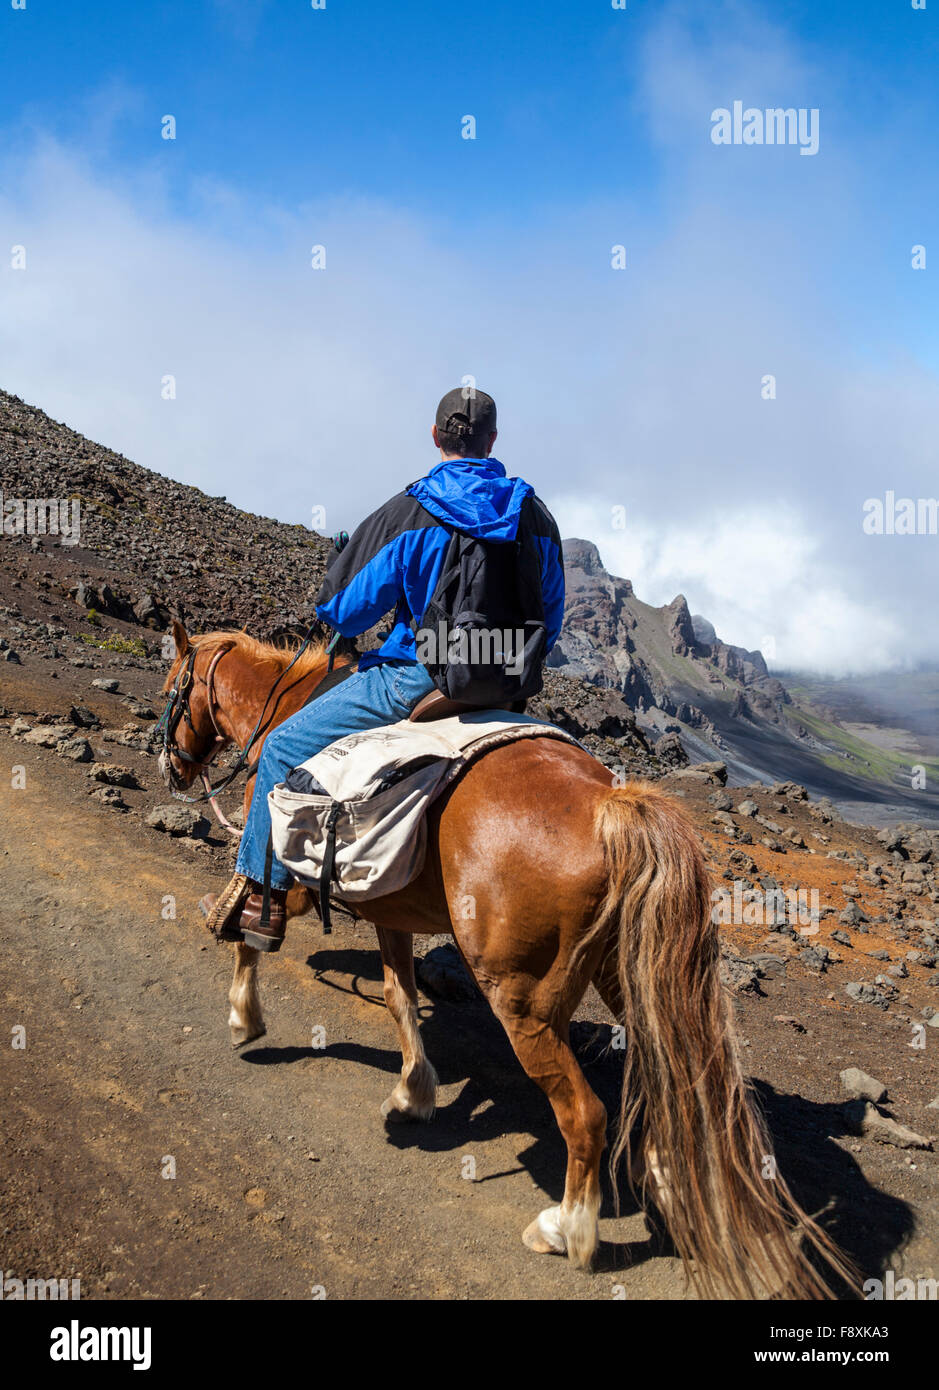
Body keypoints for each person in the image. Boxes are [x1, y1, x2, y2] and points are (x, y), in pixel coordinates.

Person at [202, 387, 565, 950]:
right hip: (508, 687)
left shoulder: (411, 509)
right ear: (493, 440)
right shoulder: (535, 515)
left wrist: (338, 565)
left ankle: (263, 900)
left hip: (416, 680)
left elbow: (344, 609)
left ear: (435, 436)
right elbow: (553, 616)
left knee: (277, 748)